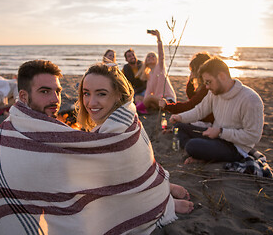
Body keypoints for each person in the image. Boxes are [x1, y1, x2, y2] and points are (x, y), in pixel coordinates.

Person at [0, 60, 192, 235]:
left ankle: (155, 189)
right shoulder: (7, 137)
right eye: (45, 91)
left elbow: (126, 164)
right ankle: (155, 190)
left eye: (58, 91)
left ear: (117, 95)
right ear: (23, 97)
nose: (55, 99)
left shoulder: (123, 127)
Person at [76, 63, 194, 211]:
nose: (91, 102)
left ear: (118, 94)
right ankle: (161, 186)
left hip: (136, 185)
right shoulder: (125, 114)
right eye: (86, 93)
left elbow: (135, 169)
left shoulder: (124, 124)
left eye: (101, 93)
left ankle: (161, 197)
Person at [169, 57, 264, 164]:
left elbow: (253, 136)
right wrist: (180, 117)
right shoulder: (213, 93)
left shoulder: (250, 99)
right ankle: (200, 154)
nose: (207, 87)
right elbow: (199, 111)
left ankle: (198, 153)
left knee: (192, 145)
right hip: (215, 138)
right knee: (179, 127)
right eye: (205, 83)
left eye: (209, 82)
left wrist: (221, 132)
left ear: (222, 76)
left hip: (235, 147)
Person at [159, 52, 214, 128]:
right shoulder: (205, 85)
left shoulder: (207, 87)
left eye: (193, 70)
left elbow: (190, 106)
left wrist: (167, 106)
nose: (192, 73)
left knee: (179, 125)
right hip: (202, 119)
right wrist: (191, 80)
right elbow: (192, 97)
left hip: (209, 123)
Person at [135, 30, 177, 113]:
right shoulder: (149, 74)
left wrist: (159, 38)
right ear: (146, 61)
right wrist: (145, 99)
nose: (151, 57)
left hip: (167, 101)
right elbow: (147, 92)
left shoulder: (160, 67)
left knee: (149, 98)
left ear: (157, 59)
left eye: (153, 56)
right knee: (138, 97)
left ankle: (137, 109)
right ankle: (144, 109)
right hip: (157, 101)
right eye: (148, 56)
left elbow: (161, 55)